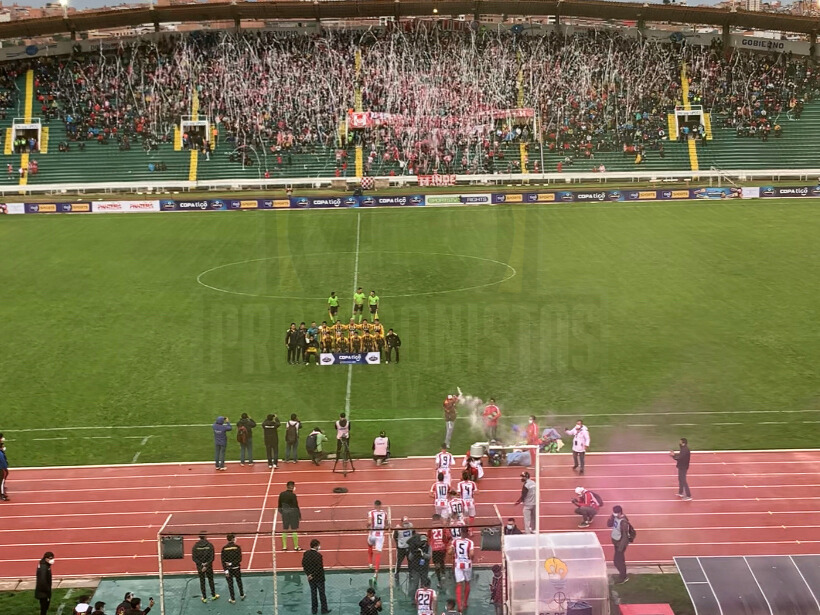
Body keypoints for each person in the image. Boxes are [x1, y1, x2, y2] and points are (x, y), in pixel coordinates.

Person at [302, 539, 331, 614]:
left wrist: (308, 575)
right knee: (322, 594)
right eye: (318, 545)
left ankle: (314, 610)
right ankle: (324, 610)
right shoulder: (318, 555)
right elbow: (319, 568)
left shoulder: (306, 553)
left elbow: (304, 565)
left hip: (310, 578)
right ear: (316, 546)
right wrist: (313, 575)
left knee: (313, 594)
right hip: (319, 578)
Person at [450, 530, 475, 611]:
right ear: (467, 533)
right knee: (467, 583)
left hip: (458, 565)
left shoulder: (455, 541)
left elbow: (450, 552)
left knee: (459, 584)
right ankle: (465, 602)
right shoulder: (470, 542)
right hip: (467, 565)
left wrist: (453, 551)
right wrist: (471, 559)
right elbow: (471, 554)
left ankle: (459, 605)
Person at [607, 505, 631, 584]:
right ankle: (622, 575)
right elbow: (609, 524)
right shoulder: (615, 517)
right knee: (620, 560)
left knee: (617, 561)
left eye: (615, 512)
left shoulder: (624, 522)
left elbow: (625, 536)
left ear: (620, 512)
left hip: (620, 544)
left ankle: (623, 577)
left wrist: (621, 547)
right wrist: (612, 517)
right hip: (616, 542)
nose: (614, 513)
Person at [192, 534, 219, 602]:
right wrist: (206, 565)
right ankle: (213, 595)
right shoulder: (210, 545)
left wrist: (201, 565)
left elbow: (194, 558)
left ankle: (204, 597)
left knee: (202, 581)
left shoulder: (195, 546)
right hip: (209, 566)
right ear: (205, 537)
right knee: (211, 580)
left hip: (200, 567)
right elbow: (212, 557)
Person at [220, 533, 245, 603]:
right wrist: (232, 563)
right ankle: (242, 595)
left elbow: (223, 561)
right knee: (239, 581)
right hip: (236, 568)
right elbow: (239, 559)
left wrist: (226, 571)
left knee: (230, 584)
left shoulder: (224, 548)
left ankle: (232, 599)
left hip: (228, 569)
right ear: (233, 539)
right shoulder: (237, 547)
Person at [367, 500, 388, 582]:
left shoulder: (371, 512)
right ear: (381, 505)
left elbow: (369, 522)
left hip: (372, 534)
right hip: (380, 535)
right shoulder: (385, 513)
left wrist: (367, 525)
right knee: (378, 553)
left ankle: (370, 563)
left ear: (375, 505)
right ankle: (376, 573)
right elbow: (386, 524)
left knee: (369, 545)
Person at [427, 514, 450, 589]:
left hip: (434, 548)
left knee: (436, 564)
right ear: (439, 518)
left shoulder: (431, 528)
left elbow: (429, 537)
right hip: (442, 547)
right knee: (442, 561)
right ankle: (443, 574)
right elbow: (448, 536)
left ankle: (439, 580)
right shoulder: (443, 527)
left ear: (433, 519)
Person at [278, 481, 302, 551]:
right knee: (294, 530)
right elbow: (295, 506)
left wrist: (283, 513)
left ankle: (284, 546)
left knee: (285, 529)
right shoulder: (293, 495)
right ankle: (296, 546)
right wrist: (299, 514)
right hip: (293, 514)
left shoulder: (281, 494)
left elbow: (279, 505)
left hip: (285, 513)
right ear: (292, 487)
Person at [407, 532, 431, 597]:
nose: (424, 543)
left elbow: (429, 556)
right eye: (422, 542)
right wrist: (414, 553)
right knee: (415, 584)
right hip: (416, 568)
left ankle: (423, 597)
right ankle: (413, 598)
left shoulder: (428, 547)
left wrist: (423, 554)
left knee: (424, 583)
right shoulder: (415, 547)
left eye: (425, 542)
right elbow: (410, 558)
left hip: (424, 568)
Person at [394, 516, 415, 580]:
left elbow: (414, 534)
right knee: (399, 561)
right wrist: (398, 545)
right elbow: (395, 537)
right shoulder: (397, 528)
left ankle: (411, 573)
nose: (406, 525)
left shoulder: (411, 526)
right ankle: (397, 573)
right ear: (401, 522)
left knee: (410, 561)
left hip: (409, 547)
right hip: (401, 548)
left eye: (407, 523)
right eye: (405, 523)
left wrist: (412, 543)